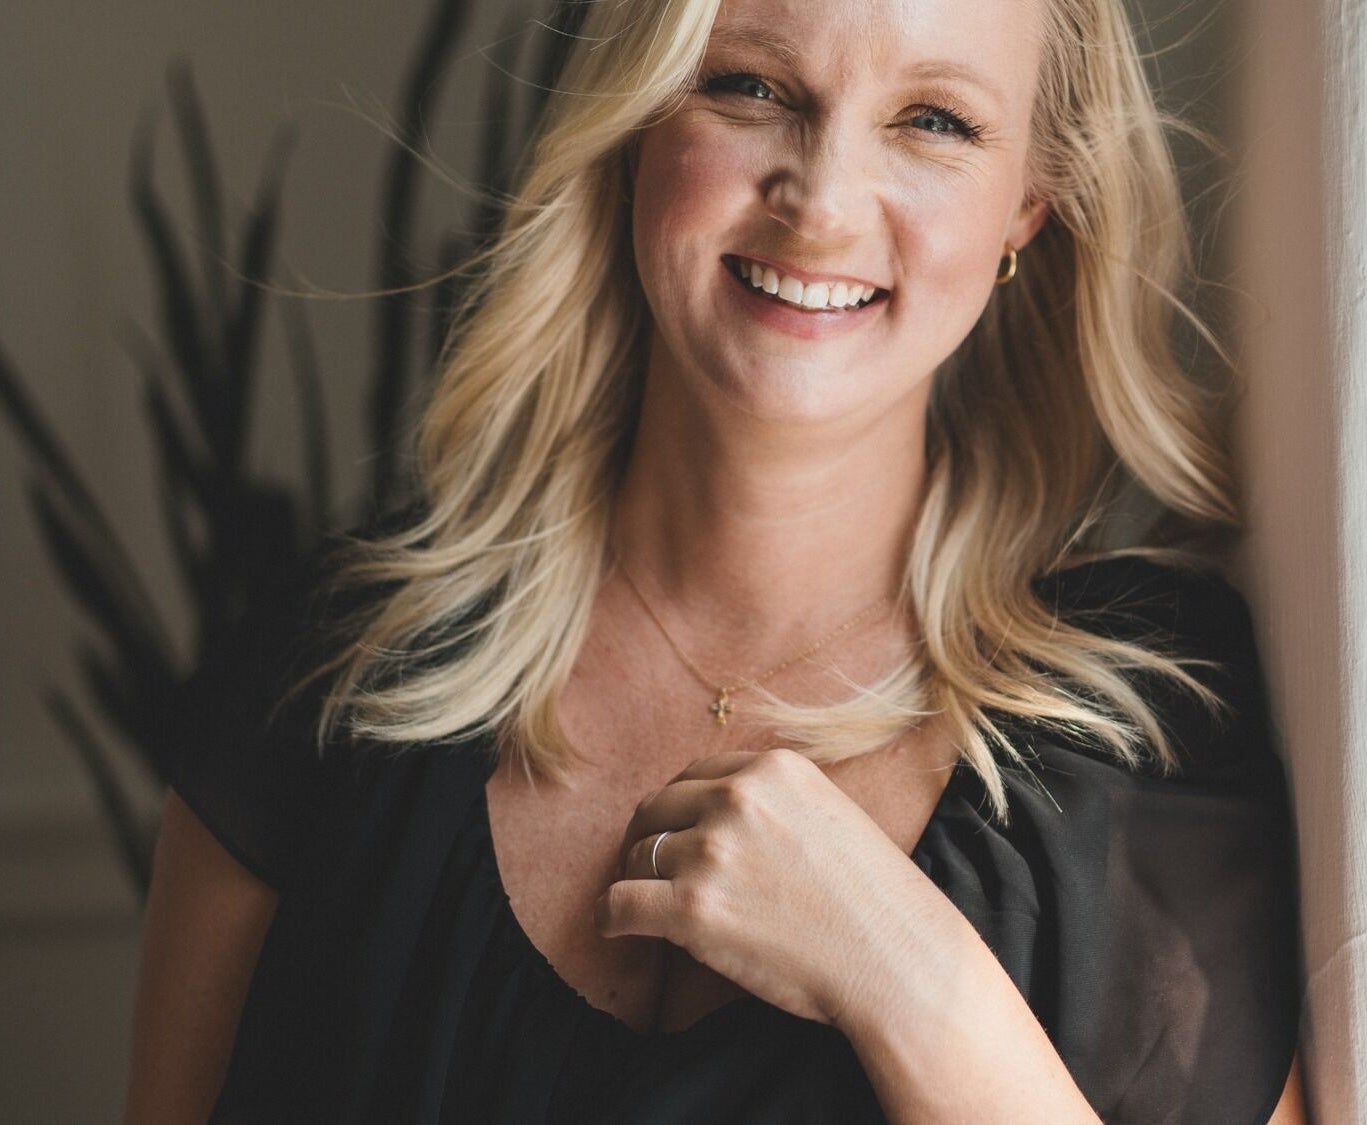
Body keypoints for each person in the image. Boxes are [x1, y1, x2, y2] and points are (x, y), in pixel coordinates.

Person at [125, 0, 1307, 1120]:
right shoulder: (329, 672)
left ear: (1028, 205)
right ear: (635, 119)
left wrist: (913, 984)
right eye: (750, 87)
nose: (821, 203)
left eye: (934, 120)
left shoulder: (1144, 734)